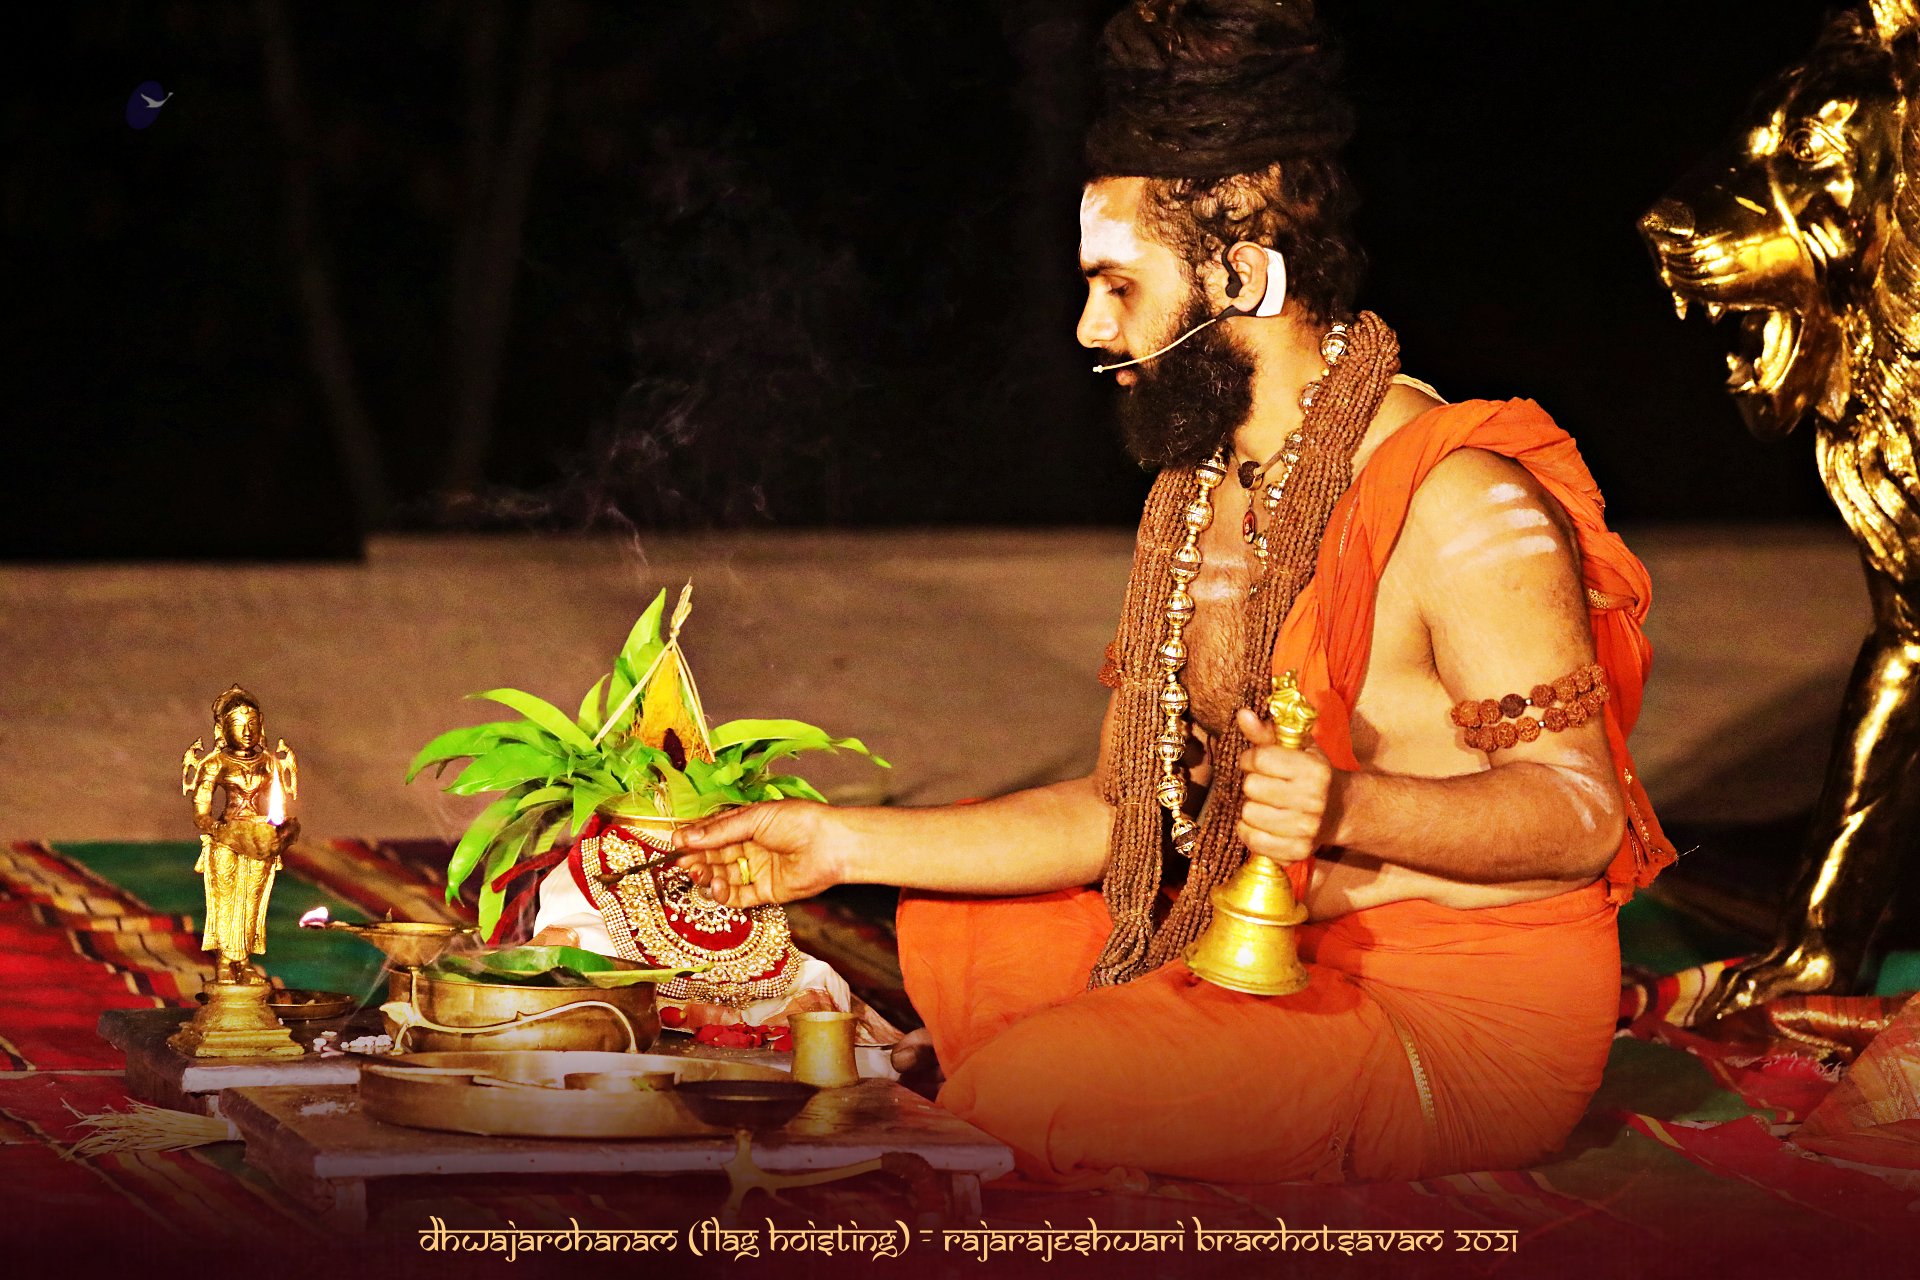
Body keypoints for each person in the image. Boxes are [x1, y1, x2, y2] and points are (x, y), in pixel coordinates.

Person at [674, 0, 1676, 1185]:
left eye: (1118, 286)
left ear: (1241, 274)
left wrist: (1348, 807)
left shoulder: (1459, 502)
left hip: (1447, 1025)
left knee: (1023, 1091)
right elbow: (1132, 807)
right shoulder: (1197, 493)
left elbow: (1578, 817)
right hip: (1256, 937)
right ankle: (1127, 1074)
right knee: (967, 925)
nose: (1089, 328)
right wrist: (838, 843)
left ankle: (1093, 1089)